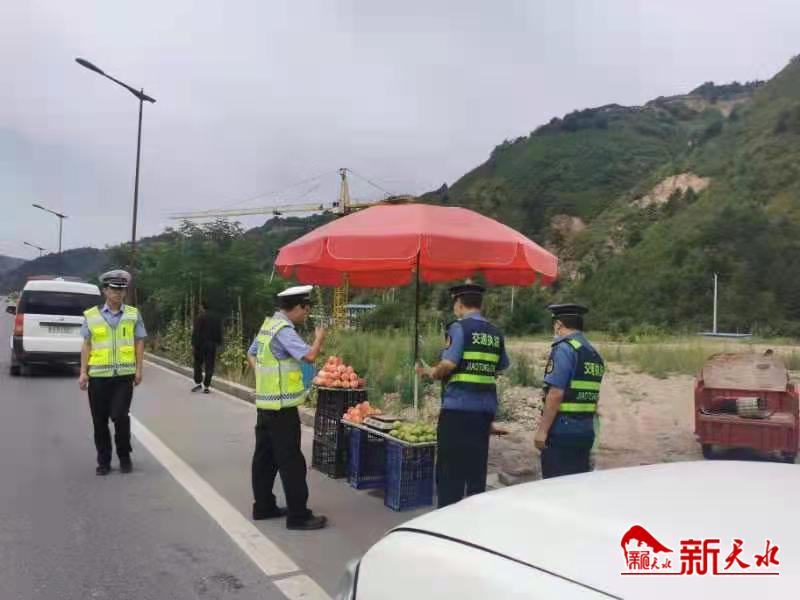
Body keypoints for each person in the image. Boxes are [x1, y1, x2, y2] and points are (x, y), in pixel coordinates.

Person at [417, 283, 509, 508]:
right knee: (476, 470)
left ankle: (449, 516)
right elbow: (501, 366)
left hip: (458, 411)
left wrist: (431, 372)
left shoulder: (459, 328)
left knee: (450, 472)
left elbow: (448, 364)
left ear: (459, 303)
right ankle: (473, 515)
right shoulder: (495, 333)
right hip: (484, 412)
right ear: (480, 304)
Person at [247, 285, 328, 530]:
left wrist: (263, 376)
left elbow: (251, 354)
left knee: (265, 459)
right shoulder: (284, 330)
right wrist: (319, 338)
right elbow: (310, 357)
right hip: (282, 409)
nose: (307, 314)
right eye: (306, 309)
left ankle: (263, 507)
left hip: (265, 405)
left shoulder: (269, 326)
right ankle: (298, 516)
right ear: (297, 307)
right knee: (291, 462)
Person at [78, 270, 147, 476]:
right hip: (98, 377)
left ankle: (124, 456)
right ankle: (104, 461)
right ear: (105, 291)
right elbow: (86, 345)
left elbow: (139, 341)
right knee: (99, 421)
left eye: (121, 289)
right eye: (114, 289)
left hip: (123, 376)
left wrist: (139, 369)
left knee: (120, 416)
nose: (118, 293)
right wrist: (83, 372)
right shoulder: (91, 315)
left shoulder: (133, 314)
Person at [535, 304, 605, 479]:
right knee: (577, 484)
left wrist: (542, 431)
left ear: (558, 325)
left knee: (555, 485)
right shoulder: (593, 353)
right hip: (586, 431)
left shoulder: (564, 349)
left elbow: (555, 393)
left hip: (562, 431)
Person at [191, 300, 223, 393]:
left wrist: (194, 344)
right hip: (212, 345)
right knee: (210, 365)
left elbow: (196, 332)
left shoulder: (200, 317)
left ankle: (198, 382)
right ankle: (206, 386)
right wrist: (219, 343)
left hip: (200, 344)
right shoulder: (217, 318)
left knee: (198, 364)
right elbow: (219, 332)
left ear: (202, 306)